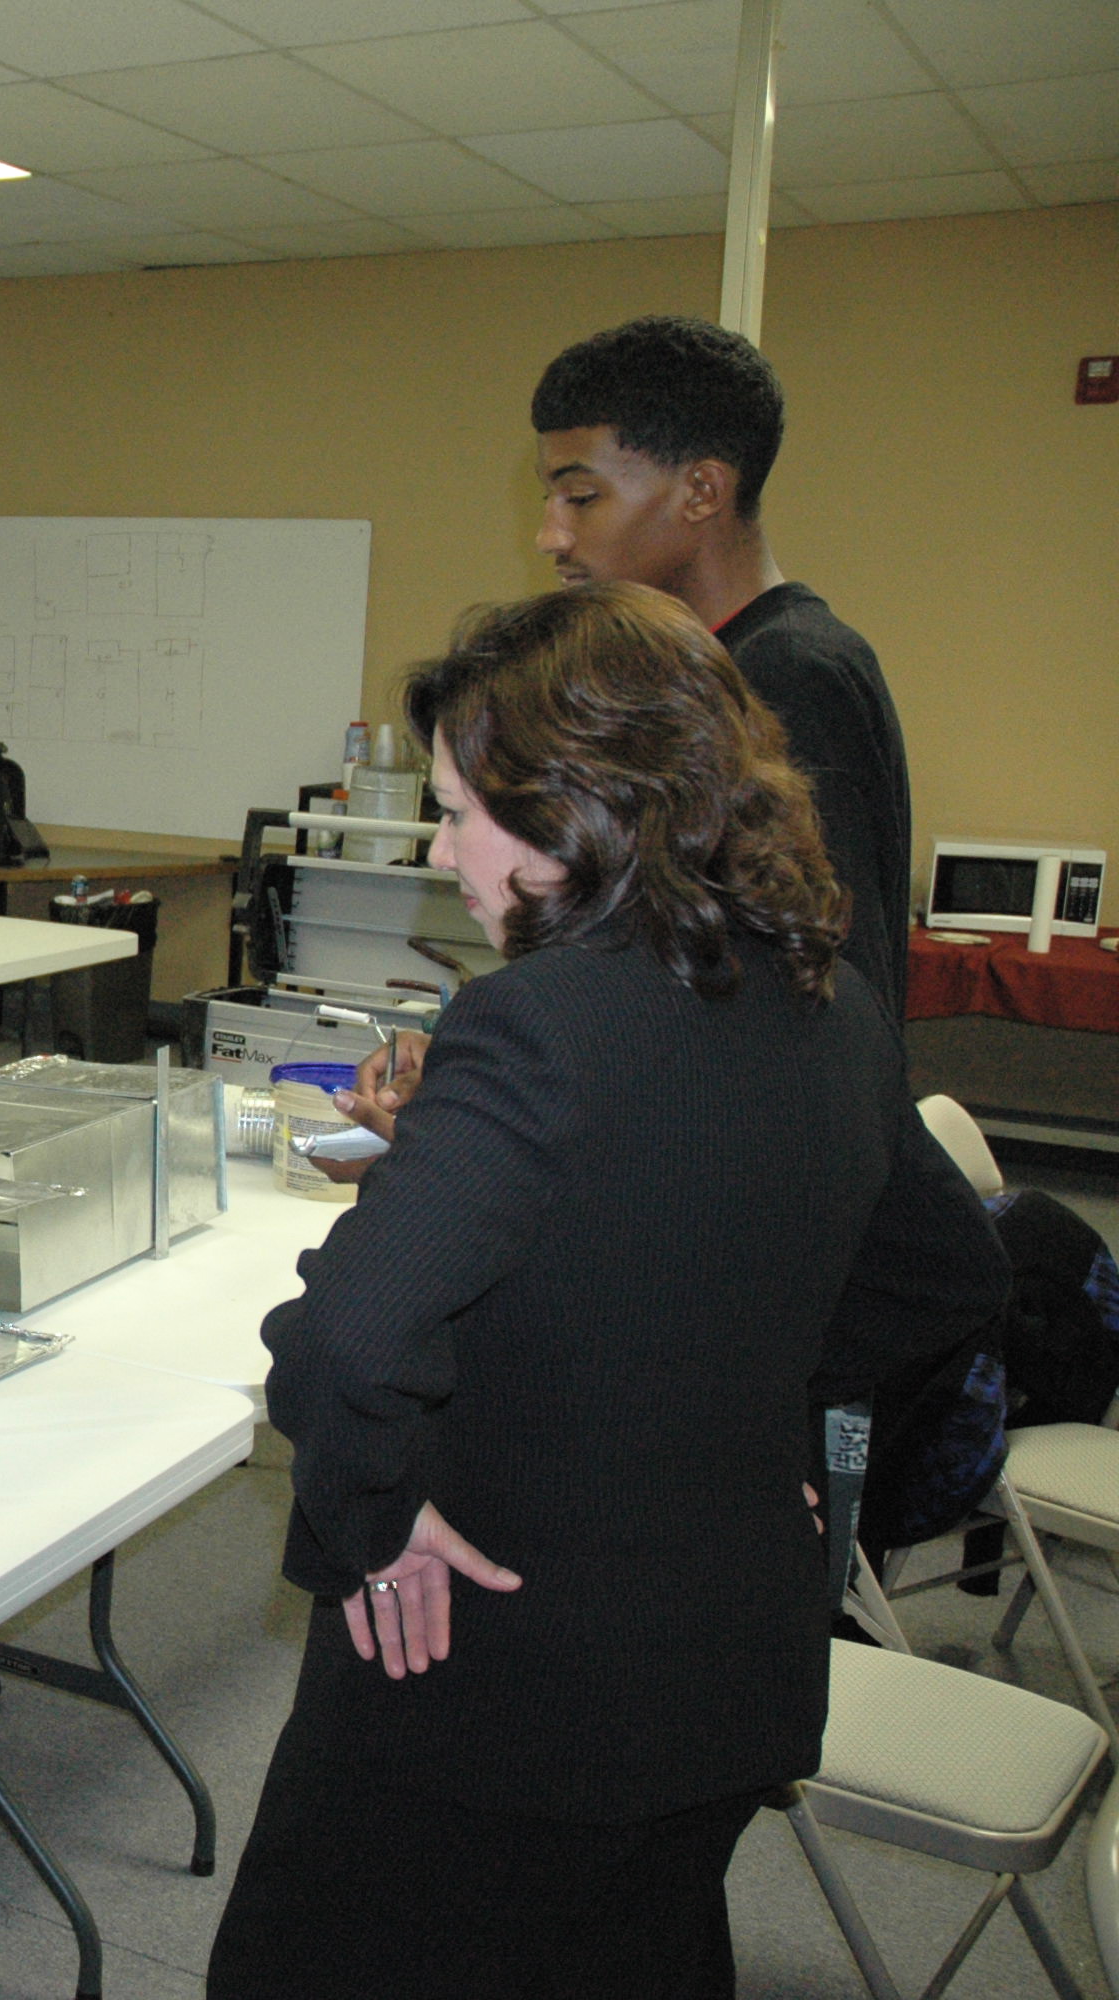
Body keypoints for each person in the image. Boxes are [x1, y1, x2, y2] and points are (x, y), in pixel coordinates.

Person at [207, 583, 1008, 1998]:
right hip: (724, 1671)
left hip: (504, 1679)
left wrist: (375, 1528)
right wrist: (771, 1409)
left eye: (460, 813)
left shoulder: (537, 1020)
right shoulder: (824, 998)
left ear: (581, 807)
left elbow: (345, 1343)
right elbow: (949, 1269)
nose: (439, 848)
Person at [532, 313, 913, 1020]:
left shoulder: (788, 672)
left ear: (703, 492)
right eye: (549, 498)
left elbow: (823, 979)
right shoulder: (709, 668)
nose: (551, 534)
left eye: (580, 498)